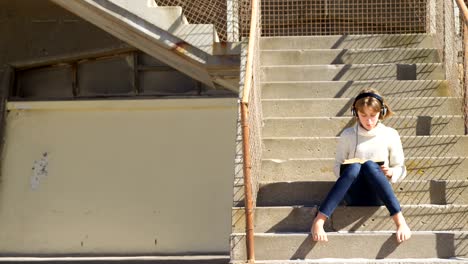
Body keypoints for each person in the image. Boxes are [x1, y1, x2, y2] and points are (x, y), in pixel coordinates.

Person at [311, 88, 412, 243]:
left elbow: (401, 167)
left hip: (379, 193)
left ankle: (400, 222)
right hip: (353, 193)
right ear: (355, 113)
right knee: (355, 167)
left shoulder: (390, 134)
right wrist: (348, 170)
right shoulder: (348, 135)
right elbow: (337, 166)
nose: (369, 120)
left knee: (371, 166)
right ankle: (319, 221)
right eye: (363, 115)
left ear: (382, 112)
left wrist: (391, 172)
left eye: (373, 115)